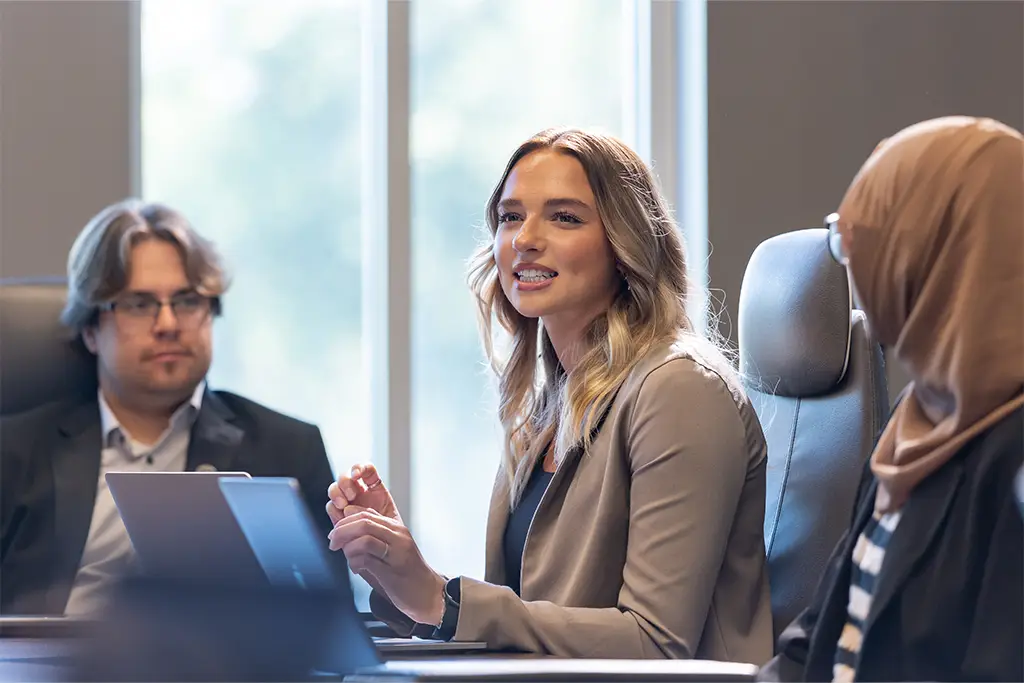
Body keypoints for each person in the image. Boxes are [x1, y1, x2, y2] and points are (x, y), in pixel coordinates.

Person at [327, 128, 774, 661]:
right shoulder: (545, 408)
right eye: (511, 217)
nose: (525, 238)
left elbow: (656, 644)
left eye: (565, 217)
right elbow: (529, 623)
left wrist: (440, 596)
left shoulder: (680, 389)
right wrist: (402, 577)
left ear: (625, 243)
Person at [760, 116, 1024, 681]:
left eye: (861, 239)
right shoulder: (915, 420)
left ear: (937, 254)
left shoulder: (1010, 449)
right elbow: (816, 640)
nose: (850, 263)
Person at [0, 199, 339, 616]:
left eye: (187, 301)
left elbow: (328, 633)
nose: (167, 324)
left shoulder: (286, 450)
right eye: (139, 304)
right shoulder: (15, 454)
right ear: (90, 329)